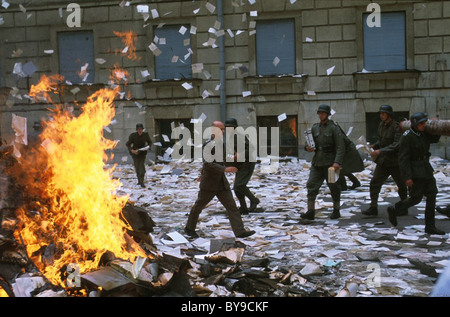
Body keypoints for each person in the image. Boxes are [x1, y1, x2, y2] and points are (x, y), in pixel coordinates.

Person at [184, 121, 255, 239]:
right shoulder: (208, 144)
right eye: (220, 129)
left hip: (221, 183)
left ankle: (240, 231)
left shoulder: (221, 144)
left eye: (223, 129)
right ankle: (189, 228)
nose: (223, 131)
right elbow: (208, 163)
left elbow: (222, 158)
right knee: (199, 206)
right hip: (209, 183)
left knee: (232, 206)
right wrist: (225, 169)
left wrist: (234, 158)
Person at [387, 112, 444, 235]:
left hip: (426, 170)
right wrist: (407, 177)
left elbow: (434, 138)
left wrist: (436, 124)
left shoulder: (423, 133)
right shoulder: (407, 137)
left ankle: (430, 226)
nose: (424, 125)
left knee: (432, 195)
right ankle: (394, 209)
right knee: (415, 198)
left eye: (425, 123)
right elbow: (403, 159)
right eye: (421, 123)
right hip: (415, 172)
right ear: (415, 124)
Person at [362, 105, 408, 217]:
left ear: (389, 114)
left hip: (395, 162)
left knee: (402, 185)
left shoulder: (396, 127)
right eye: (380, 113)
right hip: (383, 162)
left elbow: (396, 144)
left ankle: (404, 207)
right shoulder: (381, 125)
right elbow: (381, 140)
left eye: (383, 113)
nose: (381, 115)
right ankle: (373, 208)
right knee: (374, 183)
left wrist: (380, 151)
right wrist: (374, 145)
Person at [302, 104, 346, 221]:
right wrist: (307, 148)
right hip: (317, 162)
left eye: (323, 113)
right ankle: (310, 211)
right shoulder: (315, 128)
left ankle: (336, 210)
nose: (321, 115)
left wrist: (337, 162)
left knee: (334, 187)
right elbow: (308, 144)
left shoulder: (334, 128)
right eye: (319, 113)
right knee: (311, 185)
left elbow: (340, 147)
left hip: (330, 163)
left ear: (327, 114)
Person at [224, 118, 259, 215]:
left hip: (247, 163)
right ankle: (243, 208)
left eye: (230, 127)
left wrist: (240, 155)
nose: (228, 129)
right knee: (237, 188)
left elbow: (251, 149)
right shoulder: (231, 137)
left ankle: (253, 200)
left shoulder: (239, 136)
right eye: (226, 127)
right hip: (240, 164)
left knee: (239, 185)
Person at [126, 123, 152, 188]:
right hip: (135, 153)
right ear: (137, 130)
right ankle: (139, 180)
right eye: (139, 129)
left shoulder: (145, 135)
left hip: (142, 153)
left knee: (141, 167)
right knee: (137, 167)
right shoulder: (133, 136)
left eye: (141, 129)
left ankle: (142, 181)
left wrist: (149, 147)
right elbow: (128, 144)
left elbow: (150, 142)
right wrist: (132, 150)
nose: (140, 131)